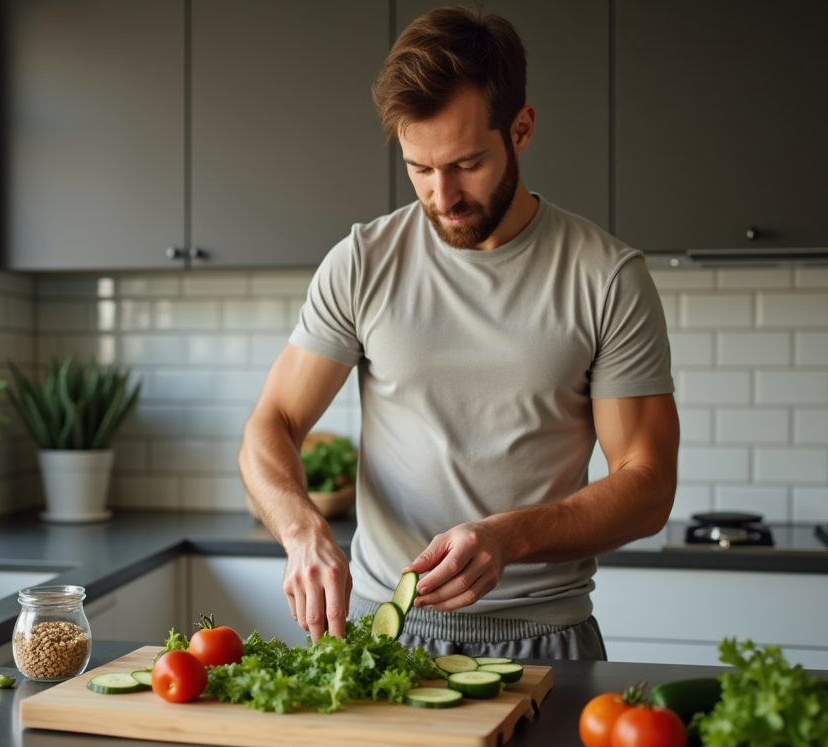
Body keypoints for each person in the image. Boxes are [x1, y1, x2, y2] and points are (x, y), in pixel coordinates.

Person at [239, 6, 678, 660]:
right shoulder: (363, 262)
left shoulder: (607, 277)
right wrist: (302, 531)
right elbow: (270, 423)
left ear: (521, 129)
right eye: (419, 167)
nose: (441, 197)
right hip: (380, 637)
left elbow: (647, 487)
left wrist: (511, 538)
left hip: (544, 639)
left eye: (466, 164)